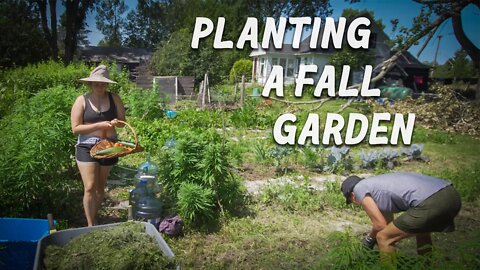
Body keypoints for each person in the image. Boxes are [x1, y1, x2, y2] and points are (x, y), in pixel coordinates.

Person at [341, 173, 461, 256]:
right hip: (451, 194)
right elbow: (386, 224)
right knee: (421, 230)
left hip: (432, 202)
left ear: (352, 196)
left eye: (352, 202)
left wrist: (369, 239)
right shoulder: (377, 185)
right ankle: (425, 266)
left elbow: (379, 225)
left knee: (384, 238)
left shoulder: (359, 188)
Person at [71, 65, 126, 226]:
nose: (99, 87)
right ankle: (90, 225)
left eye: (102, 84)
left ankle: (93, 217)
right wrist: (100, 125)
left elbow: (123, 122)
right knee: (89, 187)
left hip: (109, 145)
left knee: (100, 188)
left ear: (107, 84)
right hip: (86, 146)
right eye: (96, 84)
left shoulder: (114, 98)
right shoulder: (82, 100)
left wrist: (117, 122)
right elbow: (76, 128)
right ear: (90, 84)